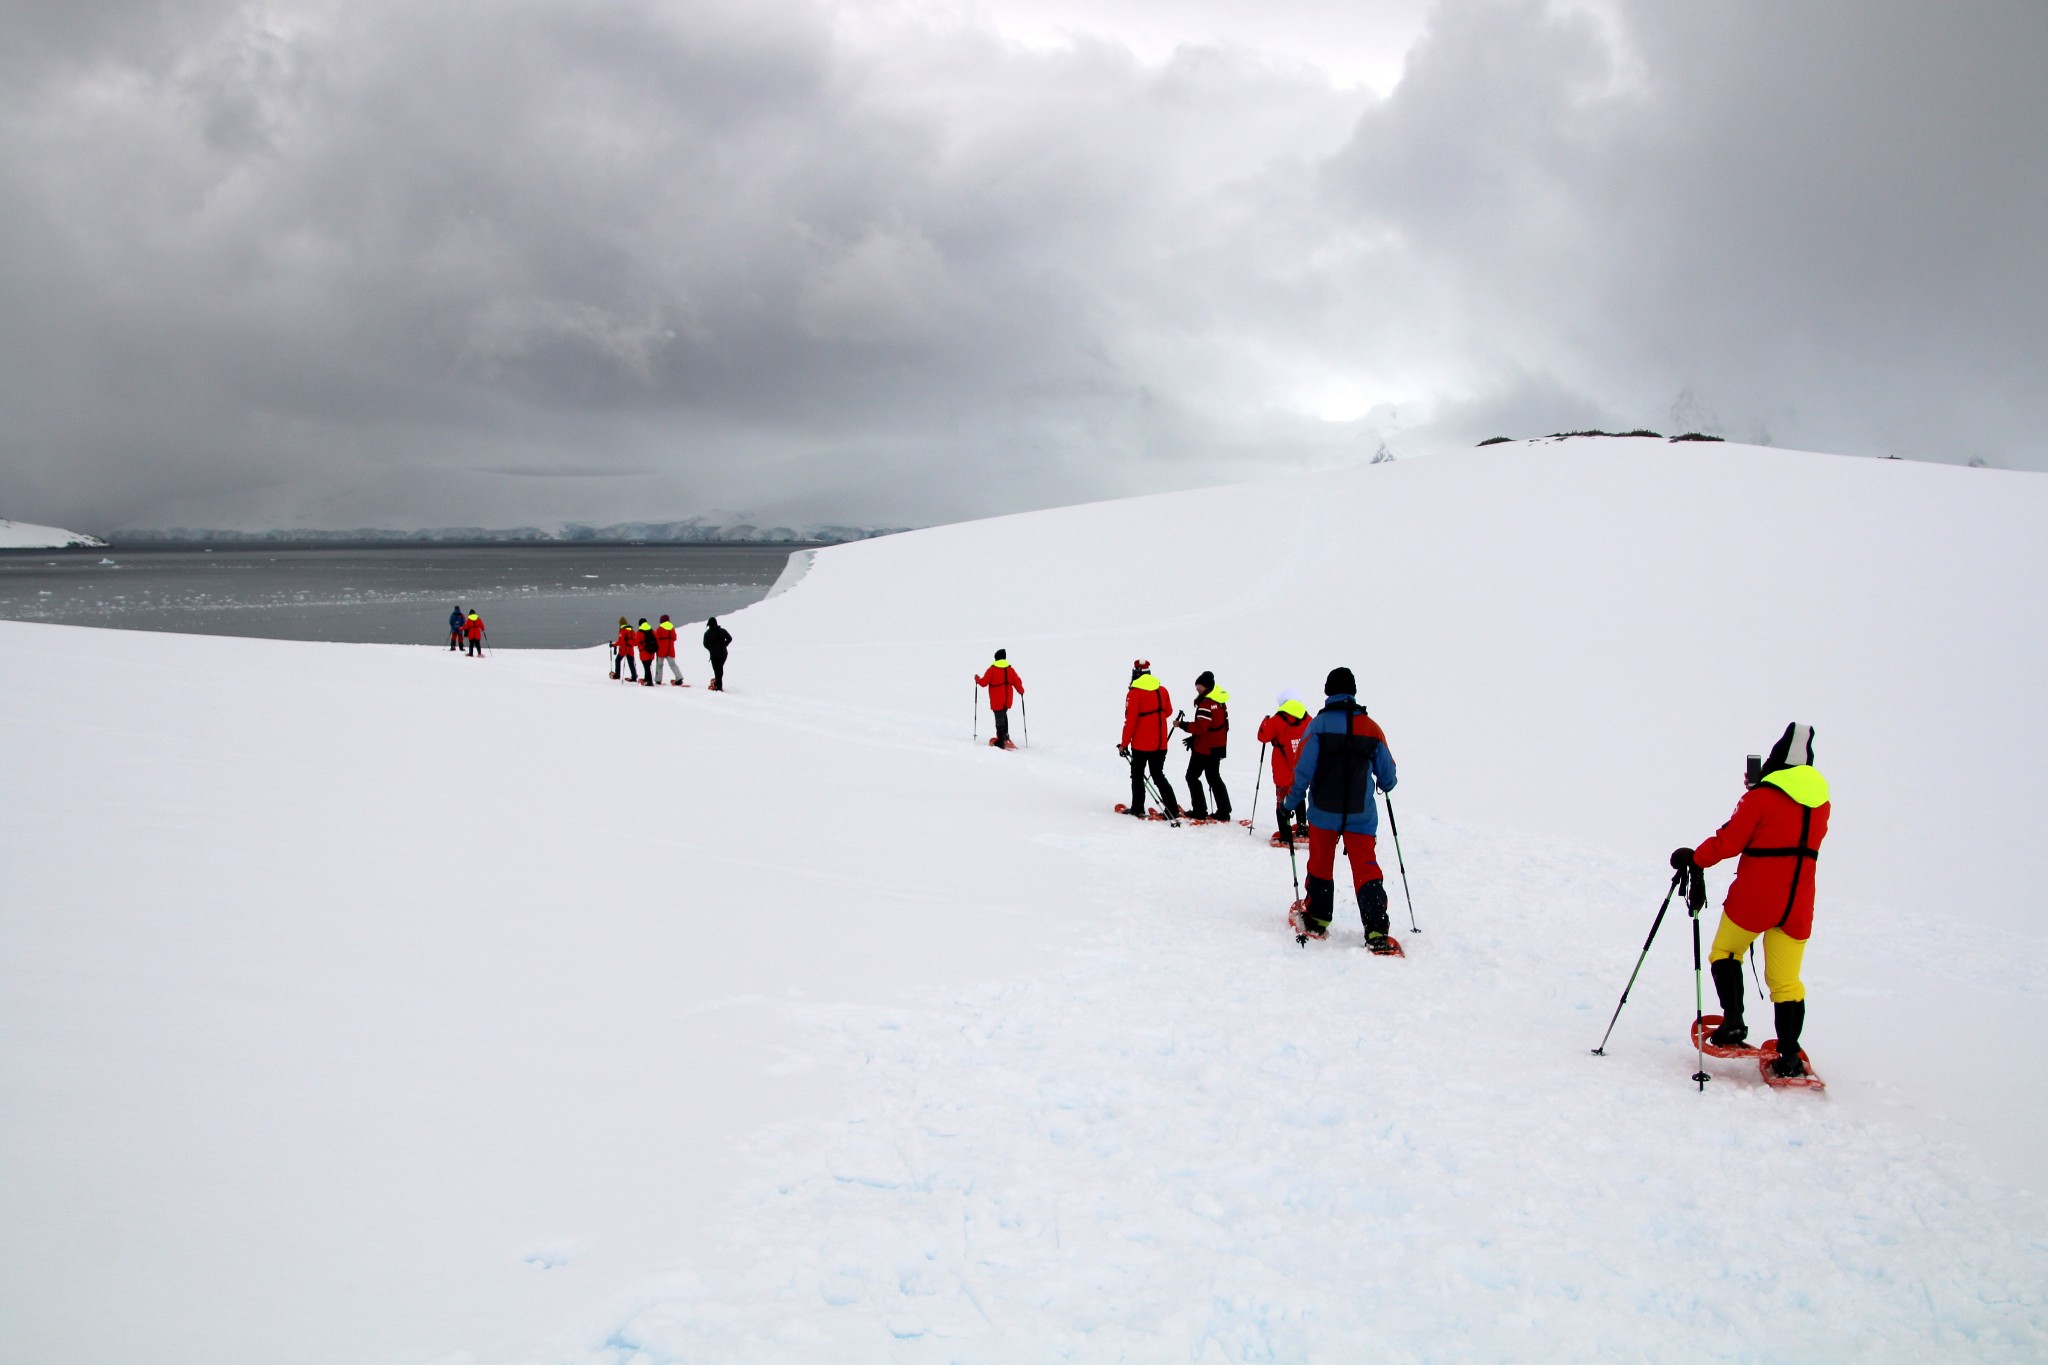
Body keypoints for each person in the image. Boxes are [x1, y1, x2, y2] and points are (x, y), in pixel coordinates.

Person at [1670, 722, 1831, 1078]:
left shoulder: (1760, 798)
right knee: (1787, 982)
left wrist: (1694, 859)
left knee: (1726, 953)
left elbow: (1729, 842)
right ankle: (1789, 1053)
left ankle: (1734, 1024)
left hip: (1755, 897)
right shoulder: (1822, 805)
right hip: (1799, 902)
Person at [1283, 668, 1398, 948]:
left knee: (1321, 863)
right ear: (1353, 692)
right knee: (1366, 867)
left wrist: (1289, 803)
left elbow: (1303, 771)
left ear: (1328, 692)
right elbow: (1389, 778)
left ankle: (1319, 918)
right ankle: (1375, 929)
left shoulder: (1318, 726)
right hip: (1361, 814)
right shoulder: (1371, 728)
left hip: (1324, 812)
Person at [1118, 660, 1180, 820]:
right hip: (1160, 742)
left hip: (1141, 743)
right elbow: (1168, 711)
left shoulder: (1134, 693)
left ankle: (1137, 808)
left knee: (1137, 775)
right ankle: (1172, 808)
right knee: (1158, 775)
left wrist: (1124, 744)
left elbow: (1130, 721)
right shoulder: (1162, 690)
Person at [1256, 691, 1312, 842]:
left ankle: (1285, 834)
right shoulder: (1307, 718)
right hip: (1302, 767)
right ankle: (1302, 827)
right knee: (1299, 794)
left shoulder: (1277, 720)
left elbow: (1262, 737)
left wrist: (1265, 721)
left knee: (1282, 799)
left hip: (1282, 769)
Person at [1176, 671, 1231, 821]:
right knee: (1213, 777)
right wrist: (1195, 738)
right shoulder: (1220, 702)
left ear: (1206, 686)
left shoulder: (1206, 704)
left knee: (1192, 776)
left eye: (1198, 686)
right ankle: (1224, 810)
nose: (1197, 689)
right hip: (1217, 746)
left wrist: (1183, 725)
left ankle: (1199, 810)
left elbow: (1201, 727)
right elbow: (1223, 725)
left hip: (1205, 748)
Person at [975, 649, 1025, 746]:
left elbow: (983, 682)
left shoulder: (992, 669)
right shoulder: (1010, 669)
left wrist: (977, 679)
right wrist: (1021, 691)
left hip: (997, 699)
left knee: (999, 718)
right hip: (1008, 699)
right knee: (1003, 716)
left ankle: (1001, 740)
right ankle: (1005, 737)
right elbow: (1017, 682)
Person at [703, 617, 732, 691]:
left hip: (715, 655)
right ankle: (717, 682)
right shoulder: (722, 631)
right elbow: (730, 638)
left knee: (717, 670)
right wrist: (725, 644)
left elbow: (705, 644)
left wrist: (711, 649)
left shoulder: (707, 633)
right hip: (724, 654)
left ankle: (718, 686)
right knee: (719, 669)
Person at [654, 615, 685, 685]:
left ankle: (658, 679)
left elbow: (656, 638)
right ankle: (679, 677)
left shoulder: (660, 628)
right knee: (673, 664)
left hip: (661, 649)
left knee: (659, 665)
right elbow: (674, 638)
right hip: (670, 649)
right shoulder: (672, 628)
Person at [611, 616, 638, 681]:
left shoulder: (622, 631)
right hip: (630, 649)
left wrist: (613, 645)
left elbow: (620, 641)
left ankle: (617, 675)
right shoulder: (632, 630)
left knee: (617, 660)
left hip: (623, 649)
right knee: (631, 663)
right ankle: (634, 676)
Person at [635, 618, 658, 687]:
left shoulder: (639, 632)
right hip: (651, 652)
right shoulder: (652, 631)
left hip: (644, 652)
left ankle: (649, 681)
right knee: (648, 666)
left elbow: (636, 643)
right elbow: (656, 639)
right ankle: (647, 679)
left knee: (646, 667)